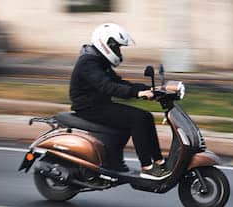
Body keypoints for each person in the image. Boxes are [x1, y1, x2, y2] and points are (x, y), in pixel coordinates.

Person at [70, 23, 169, 179]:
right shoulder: (88, 63)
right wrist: (138, 93)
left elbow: (118, 82)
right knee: (138, 119)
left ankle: (159, 161)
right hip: (88, 108)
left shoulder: (98, 60)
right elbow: (107, 86)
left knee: (147, 117)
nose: (118, 51)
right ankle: (147, 167)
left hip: (99, 104)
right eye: (117, 47)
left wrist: (150, 90)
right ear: (107, 44)